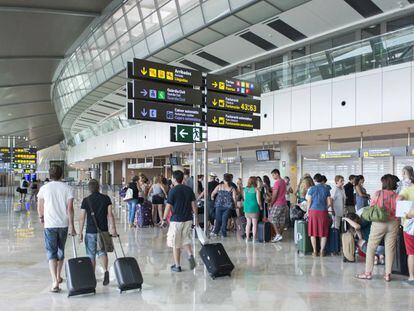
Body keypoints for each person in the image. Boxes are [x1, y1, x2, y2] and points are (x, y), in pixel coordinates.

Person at [37, 165, 75, 293]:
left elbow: (40, 206)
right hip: (63, 224)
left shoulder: (44, 188)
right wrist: (72, 226)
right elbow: (69, 209)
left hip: (50, 225)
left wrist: (41, 217)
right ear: (62, 174)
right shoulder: (68, 188)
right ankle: (58, 276)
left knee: (51, 251)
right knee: (60, 250)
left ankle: (54, 281)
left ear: (50, 175)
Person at [356, 174, 399, 282]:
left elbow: (372, 207)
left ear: (384, 183)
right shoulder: (397, 195)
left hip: (379, 223)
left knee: (371, 247)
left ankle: (368, 273)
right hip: (393, 222)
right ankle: (387, 274)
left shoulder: (378, 193)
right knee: (390, 248)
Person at [78, 179, 118, 286]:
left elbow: (82, 218)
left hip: (90, 231)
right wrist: (113, 228)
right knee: (102, 252)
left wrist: (80, 232)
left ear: (89, 189)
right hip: (103, 231)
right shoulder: (106, 198)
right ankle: (105, 271)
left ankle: (92, 277)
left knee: (91, 254)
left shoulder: (86, 200)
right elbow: (110, 215)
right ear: (99, 187)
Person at [160, 170, 197, 272]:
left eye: (172, 178)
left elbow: (168, 206)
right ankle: (190, 256)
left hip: (176, 220)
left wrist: (163, 219)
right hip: (188, 219)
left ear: (175, 179)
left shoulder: (173, 190)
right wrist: (196, 219)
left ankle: (177, 266)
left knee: (176, 244)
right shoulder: (189, 190)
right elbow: (194, 205)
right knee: (185, 240)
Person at [306, 173, 332, 257]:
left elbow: (309, 201)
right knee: (323, 232)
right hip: (323, 212)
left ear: (314, 180)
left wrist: (307, 211)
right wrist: (324, 207)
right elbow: (329, 203)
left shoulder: (312, 189)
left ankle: (314, 251)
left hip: (313, 211)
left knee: (313, 232)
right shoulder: (326, 189)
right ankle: (321, 251)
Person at [397, 178, 414, 285]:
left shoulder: (407, 189)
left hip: (410, 226)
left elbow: (398, 199)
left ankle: (412, 277)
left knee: (411, 253)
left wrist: (407, 214)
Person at [211, 173, 237, 237]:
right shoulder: (232, 188)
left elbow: (213, 193)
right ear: (230, 179)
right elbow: (234, 198)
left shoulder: (219, 186)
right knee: (224, 220)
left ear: (223, 179)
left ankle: (216, 232)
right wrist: (235, 205)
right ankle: (223, 234)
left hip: (219, 205)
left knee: (218, 219)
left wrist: (212, 198)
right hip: (228, 207)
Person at [269, 169, 288, 242]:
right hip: (284, 203)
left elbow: (275, 194)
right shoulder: (283, 181)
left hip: (278, 203)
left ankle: (278, 234)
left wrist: (271, 203)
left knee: (271, 218)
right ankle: (279, 235)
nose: (273, 177)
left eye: (273, 175)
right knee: (281, 220)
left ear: (277, 174)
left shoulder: (277, 183)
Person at [243, 177, 262, 242]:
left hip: (246, 208)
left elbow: (245, 199)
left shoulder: (245, 189)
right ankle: (254, 238)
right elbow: (258, 201)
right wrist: (261, 206)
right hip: (254, 207)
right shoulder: (256, 190)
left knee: (248, 223)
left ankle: (247, 238)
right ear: (255, 182)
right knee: (254, 224)